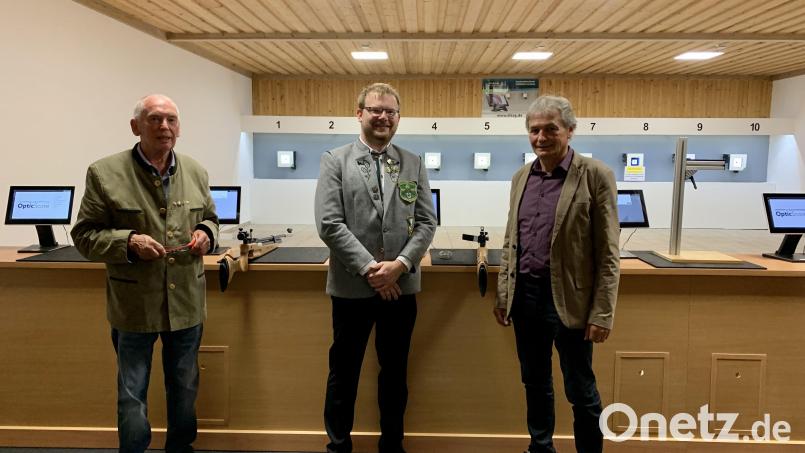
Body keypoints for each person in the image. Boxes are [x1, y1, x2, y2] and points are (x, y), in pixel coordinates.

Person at [72, 94, 219, 453]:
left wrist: (206, 234)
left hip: (185, 303)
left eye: (170, 120)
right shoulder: (104, 172)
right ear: (136, 126)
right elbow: (85, 236)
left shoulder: (196, 171)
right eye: (154, 119)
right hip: (134, 306)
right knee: (132, 394)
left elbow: (211, 219)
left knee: (185, 391)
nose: (164, 127)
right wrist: (129, 241)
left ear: (179, 128)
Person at [314, 82, 437, 453]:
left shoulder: (413, 162)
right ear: (359, 114)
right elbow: (329, 223)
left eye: (391, 111)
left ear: (398, 118)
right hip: (352, 288)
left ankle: (392, 444)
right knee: (344, 373)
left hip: (400, 289)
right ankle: (338, 445)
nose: (383, 116)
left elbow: (427, 222)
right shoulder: (335, 160)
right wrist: (373, 270)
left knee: (395, 374)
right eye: (375, 110)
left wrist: (399, 265)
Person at [494, 95, 620, 453]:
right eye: (534, 130)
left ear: (570, 131)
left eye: (551, 128)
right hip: (526, 299)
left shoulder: (596, 176)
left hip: (571, 302)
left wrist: (602, 312)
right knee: (534, 382)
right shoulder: (522, 177)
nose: (541, 137)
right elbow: (510, 241)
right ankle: (541, 446)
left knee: (581, 388)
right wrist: (505, 295)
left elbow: (609, 252)